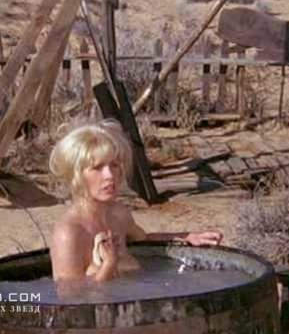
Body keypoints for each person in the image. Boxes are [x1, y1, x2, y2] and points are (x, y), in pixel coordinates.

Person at [48, 120, 223, 284]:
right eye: (97, 168)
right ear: (76, 176)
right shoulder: (69, 233)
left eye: (114, 165)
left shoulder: (118, 214)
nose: (110, 175)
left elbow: (144, 239)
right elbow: (70, 297)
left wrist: (187, 237)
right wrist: (109, 265)